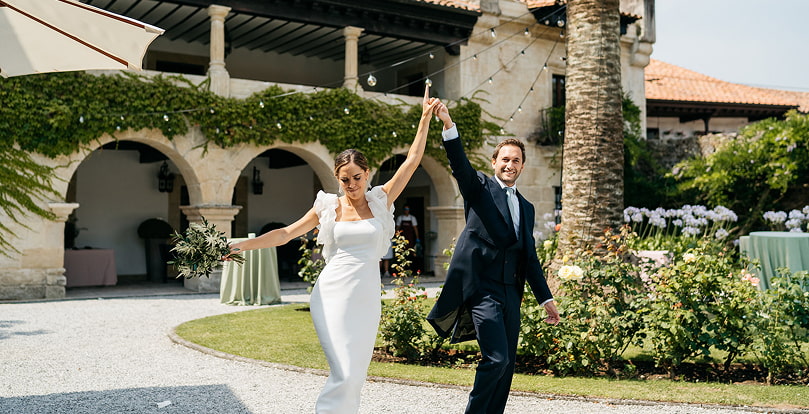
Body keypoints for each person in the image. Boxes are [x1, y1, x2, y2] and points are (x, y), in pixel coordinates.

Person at [226, 85, 440, 413]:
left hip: (367, 295)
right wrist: (241, 245)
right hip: (332, 293)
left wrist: (425, 117)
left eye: (356, 177)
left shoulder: (381, 199)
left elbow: (411, 161)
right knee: (342, 369)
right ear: (337, 179)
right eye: (344, 179)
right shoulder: (329, 207)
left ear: (367, 174)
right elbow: (285, 233)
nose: (351, 184)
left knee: (355, 374)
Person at [426, 101, 560, 414]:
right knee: (495, 358)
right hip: (482, 290)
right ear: (494, 162)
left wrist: (546, 299)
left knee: (507, 365)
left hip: (511, 293)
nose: (509, 164)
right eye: (504, 159)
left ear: (522, 166)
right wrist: (448, 124)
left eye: (516, 160)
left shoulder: (526, 207)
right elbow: (459, 163)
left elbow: (530, 258)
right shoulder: (479, 188)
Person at [395, 205, 421, 271]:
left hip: (410, 239)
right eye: (405, 209)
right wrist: (396, 236)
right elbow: (398, 228)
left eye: (408, 209)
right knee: (402, 252)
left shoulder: (412, 218)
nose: (406, 210)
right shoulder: (400, 218)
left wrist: (417, 238)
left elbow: (415, 228)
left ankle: (411, 268)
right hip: (402, 239)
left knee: (411, 253)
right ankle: (402, 268)